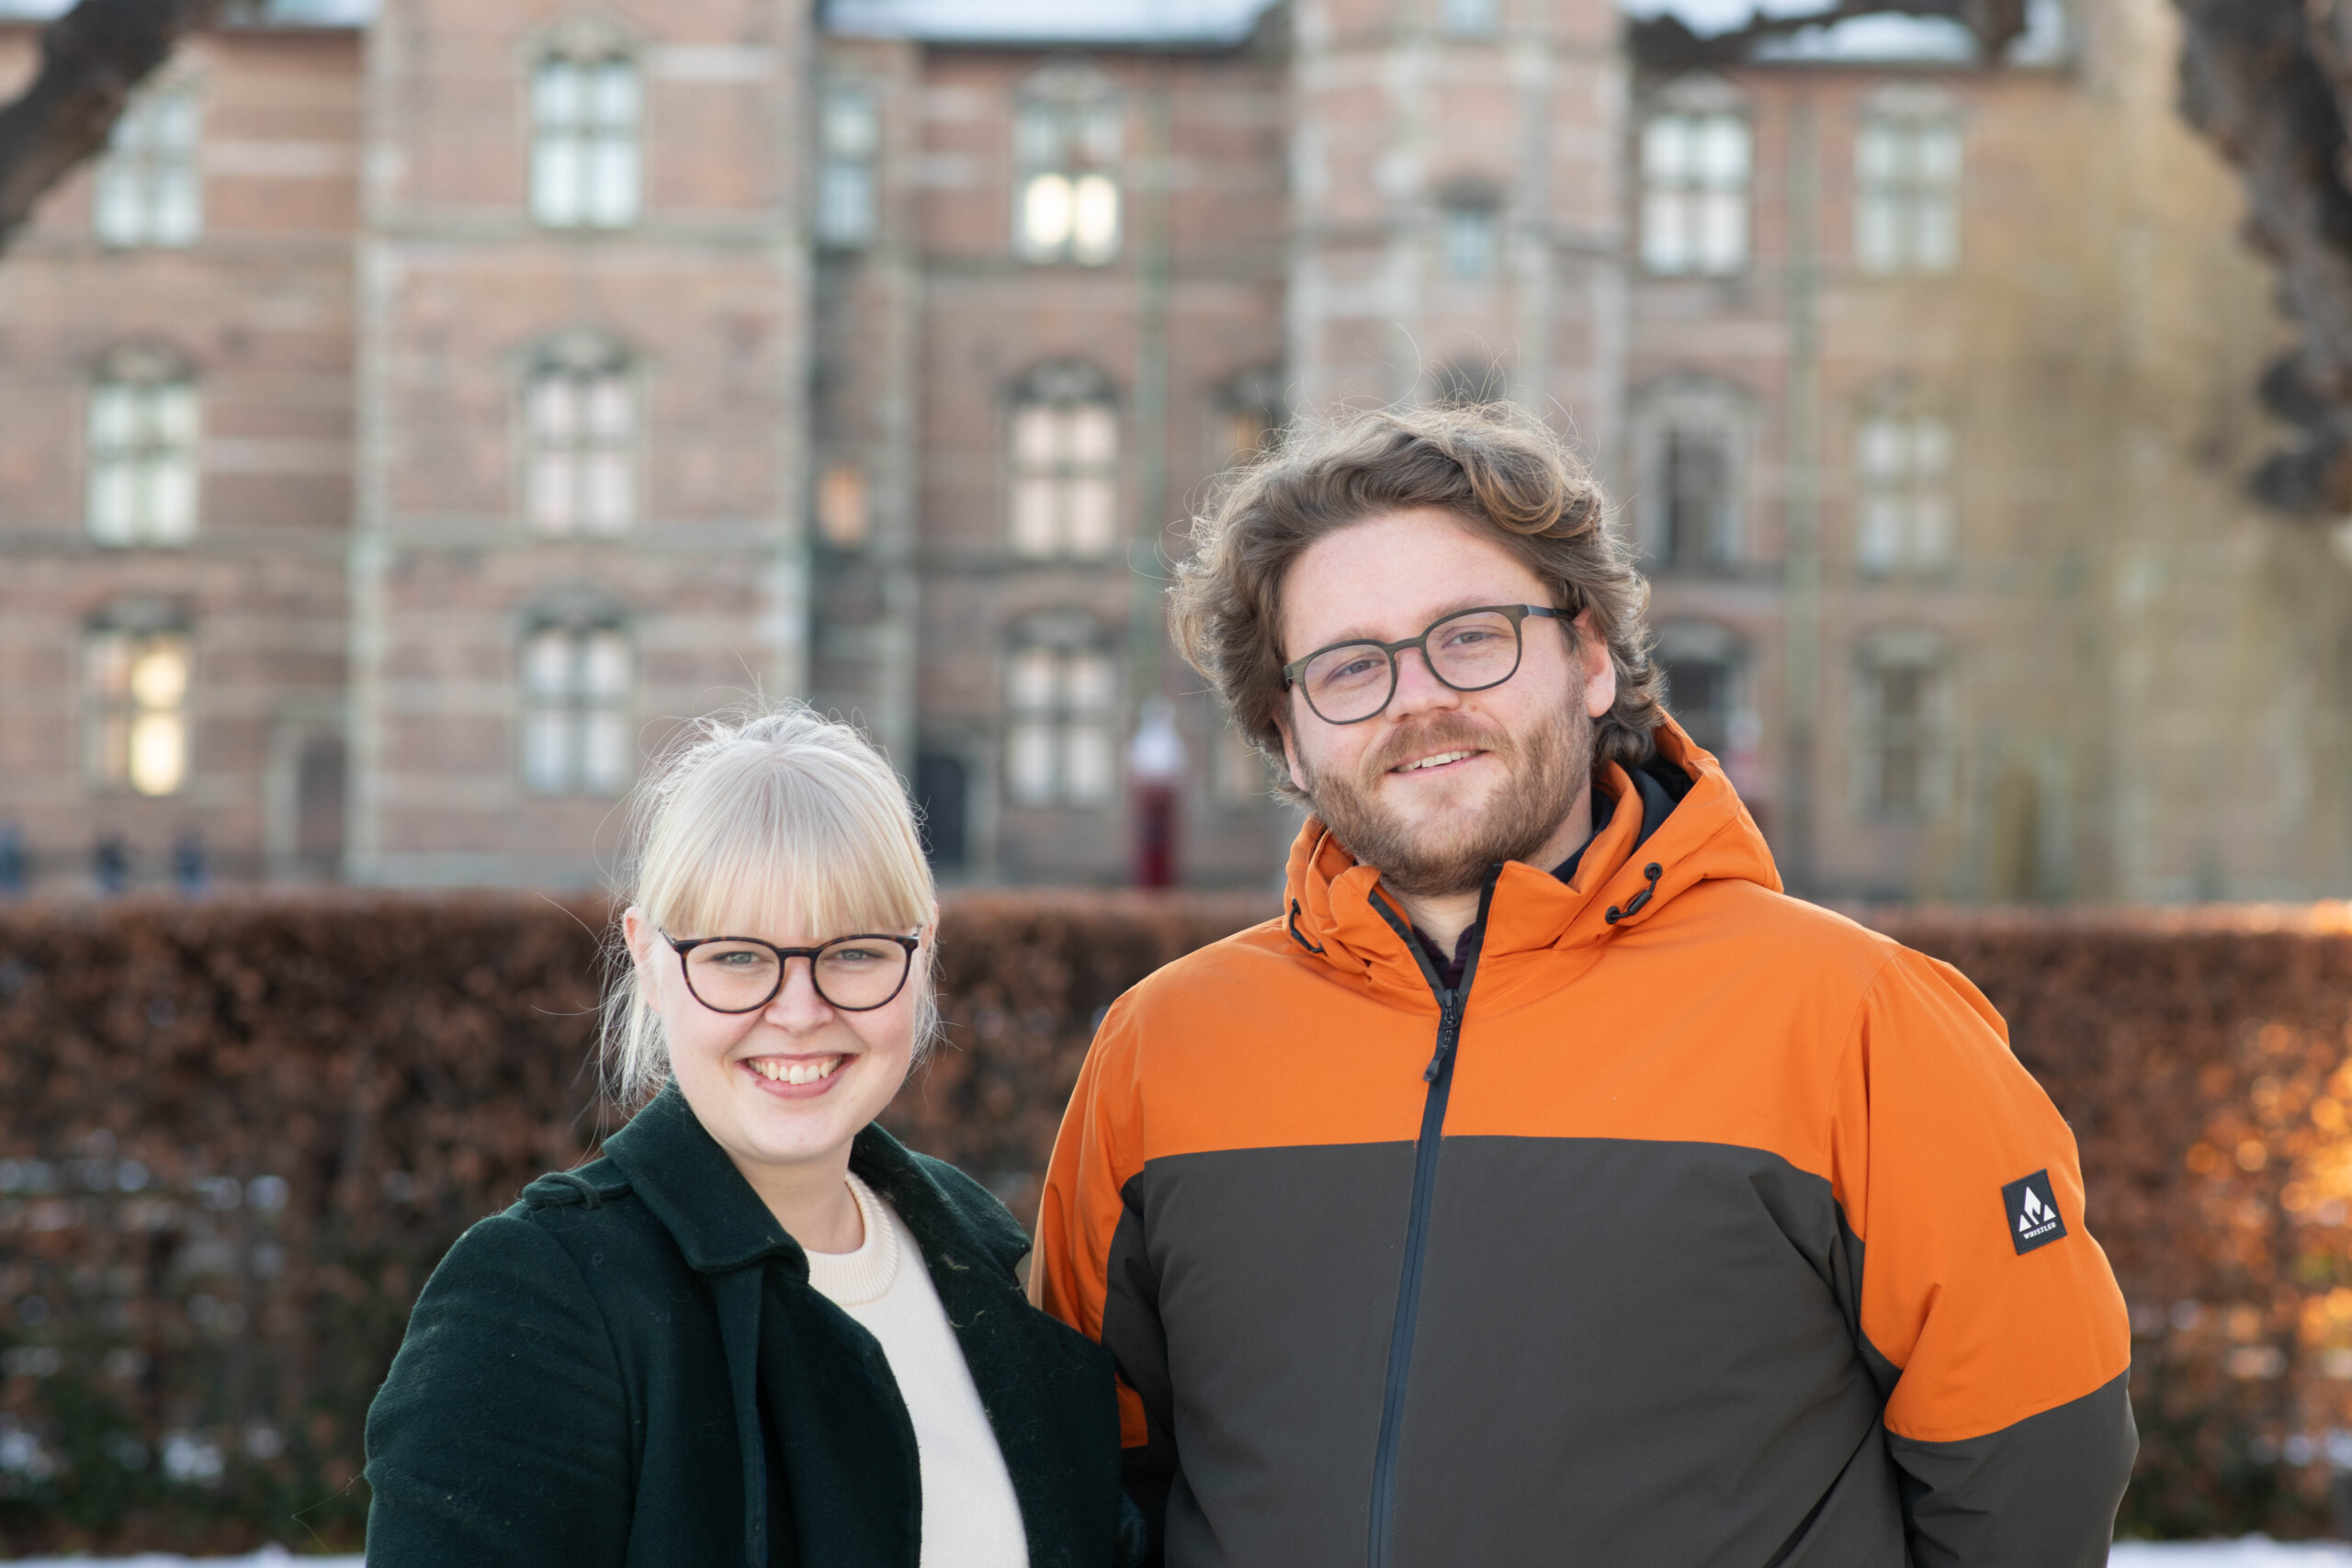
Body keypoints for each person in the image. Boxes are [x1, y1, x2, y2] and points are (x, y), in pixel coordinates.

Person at [1031, 403, 2136, 1567]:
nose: (1417, 698)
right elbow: (1088, 1478)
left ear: (1592, 657)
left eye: (1471, 637)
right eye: (1350, 666)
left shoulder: (1856, 1018)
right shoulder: (1163, 1050)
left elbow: (2029, 1473)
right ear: (1289, 736)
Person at [366, 705, 1125, 1568]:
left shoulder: (978, 1256)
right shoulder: (541, 1299)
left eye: (855, 952)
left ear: (923, 953)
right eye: (736, 956)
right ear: (648, 959)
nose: (799, 1012)